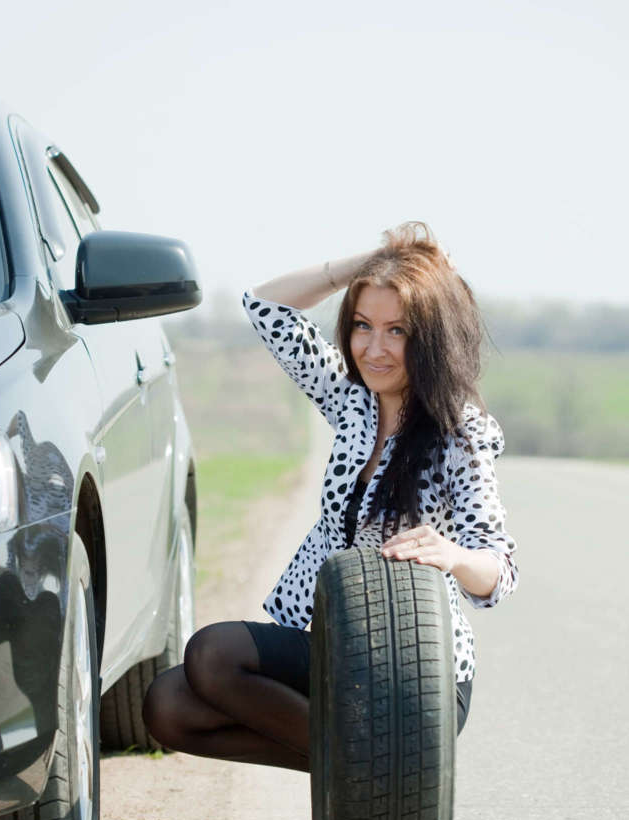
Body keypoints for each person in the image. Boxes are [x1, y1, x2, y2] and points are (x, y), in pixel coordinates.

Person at [143, 222, 518, 773]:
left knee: (213, 653)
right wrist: (369, 263)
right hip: (329, 640)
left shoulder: (458, 433)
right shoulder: (350, 399)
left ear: (431, 337)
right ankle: (366, 774)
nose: (374, 348)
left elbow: (498, 570)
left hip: (413, 666)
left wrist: (453, 555)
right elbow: (265, 306)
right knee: (168, 706)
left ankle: (362, 776)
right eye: (363, 325)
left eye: (398, 331)